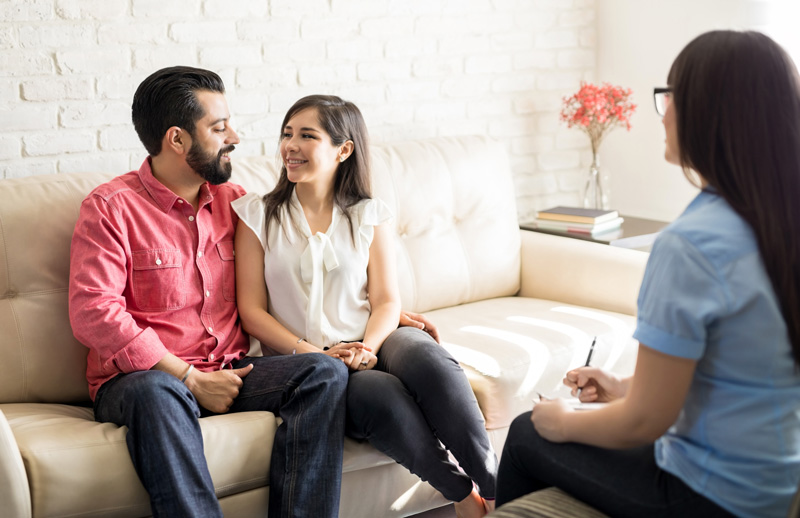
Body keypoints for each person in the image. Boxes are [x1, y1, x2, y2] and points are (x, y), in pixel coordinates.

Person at [495, 30, 800, 518]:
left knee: (528, 431)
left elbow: (644, 423)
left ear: (709, 113)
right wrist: (622, 387)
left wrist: (562, 421)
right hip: (776, 481)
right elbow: (734, 376)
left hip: (707, 496)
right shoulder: (778, 220)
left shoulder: (691, 243)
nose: (666, 111)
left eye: (671, 95)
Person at [68, 66, 352, 518]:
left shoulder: (235, 202)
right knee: (156, 393)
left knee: (323, 374)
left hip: (232, 370)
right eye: (219, 128)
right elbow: (93, 311)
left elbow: (303, 260)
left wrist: (389, 309)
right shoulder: (110, 208)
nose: (234, 136)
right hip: (148, 380)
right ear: (177, 140)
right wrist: (188, 378)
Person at [233, 94, 498, 518]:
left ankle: (503, 490)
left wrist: (368, 347)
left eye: (306, 136)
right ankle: (464, 497)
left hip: (373, 338)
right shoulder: (256, 214)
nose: (291, 146)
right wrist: (318, 356)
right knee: (382, 396)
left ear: (343, 149)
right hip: (308, 364)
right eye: (287, 134)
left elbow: (387, 300)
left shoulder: (369, 215)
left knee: (427, 359)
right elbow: (252, 312)